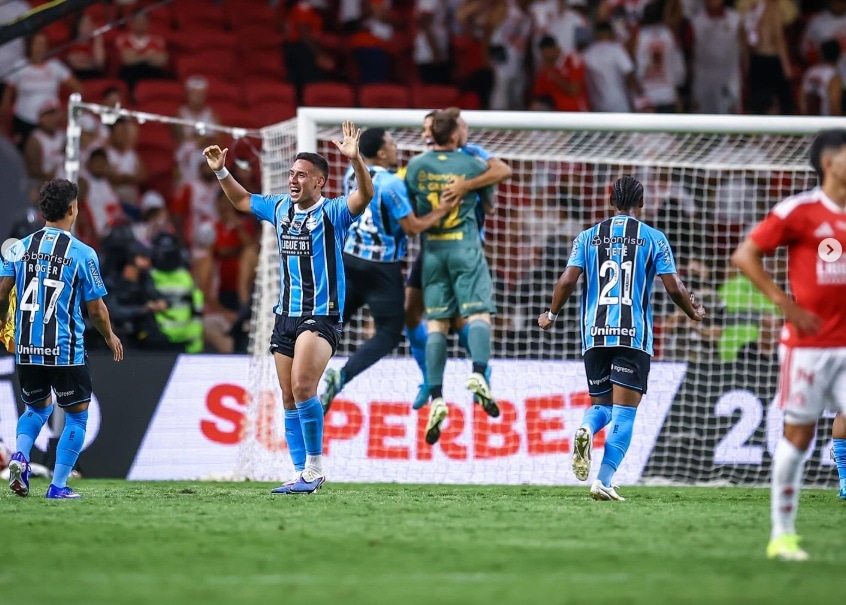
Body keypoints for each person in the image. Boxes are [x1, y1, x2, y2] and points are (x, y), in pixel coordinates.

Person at [203, 121, 374, 494]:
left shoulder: (334, 212)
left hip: (321, 314)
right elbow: (242, 200)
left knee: (303, 385)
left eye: (302, 175)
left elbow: (365, 195)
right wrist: (221, 171)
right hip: (285, 315)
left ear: (319, 182)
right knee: (288, 395)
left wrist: (355, 160)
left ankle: (314, 468)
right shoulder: (280, 207)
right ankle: (301, 474)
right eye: (292, 173)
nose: (293, 180)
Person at [538, 175, 705, 501]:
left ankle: (586, 428)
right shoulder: (653, 238)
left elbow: (567, 281)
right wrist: (692, 312)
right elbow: (674, 287)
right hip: (633, 335)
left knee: (601, 406)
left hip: (594, 334)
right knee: (624, 413)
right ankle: (603, 480)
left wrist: (551, 315)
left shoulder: (587, 237)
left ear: (610, 200)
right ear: (641, 202)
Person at [731, 129, 846, 561]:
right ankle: (782, 534)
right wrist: (784, 303)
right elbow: (745, 255)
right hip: (808, 347)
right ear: (830, 163)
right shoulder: (799, 211)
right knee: (799, 436)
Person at [0, 179, 123, 499]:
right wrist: (109, 335)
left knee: (35, 409)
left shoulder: (17, 248)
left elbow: (1, 292)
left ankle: (20, 458)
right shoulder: (83, 253)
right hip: (65, 350)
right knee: (77, 416)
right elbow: (96, 309)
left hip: (27, 347)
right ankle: (57, 486)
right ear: (72, 209)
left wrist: (5, 324)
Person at [320, 127, 459, 412]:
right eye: (393, 144)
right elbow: (412, 227)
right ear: (382, 152)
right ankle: (342, 376)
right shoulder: (392, 184)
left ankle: (306, 378)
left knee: (331, 325)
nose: (397, 148)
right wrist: (442, 209)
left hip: (349, 260)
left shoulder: (351, 174)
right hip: (381, 269)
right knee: (389, 333)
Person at [403, 109, 512, 410]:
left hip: (432, 248)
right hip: (464, 247)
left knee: (437, 321)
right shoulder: (474, 164)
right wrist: (469, 188)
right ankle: (477, 371)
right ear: (454, 134)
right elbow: (490, 206)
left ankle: (437, 392)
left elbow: (405, 199)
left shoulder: (415, 165)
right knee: (476, 314)